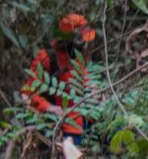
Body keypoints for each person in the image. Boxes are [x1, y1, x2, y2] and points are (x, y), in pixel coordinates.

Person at [21, 13, 96, 146]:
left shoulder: (79, 56)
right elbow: (27, 94)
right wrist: (49, 107)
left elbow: (86, 82)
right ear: (68, 40)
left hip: (82, 116)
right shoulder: (47, 57)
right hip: (59, 122)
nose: (85, 45)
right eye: (81, 41)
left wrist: (96, 92)